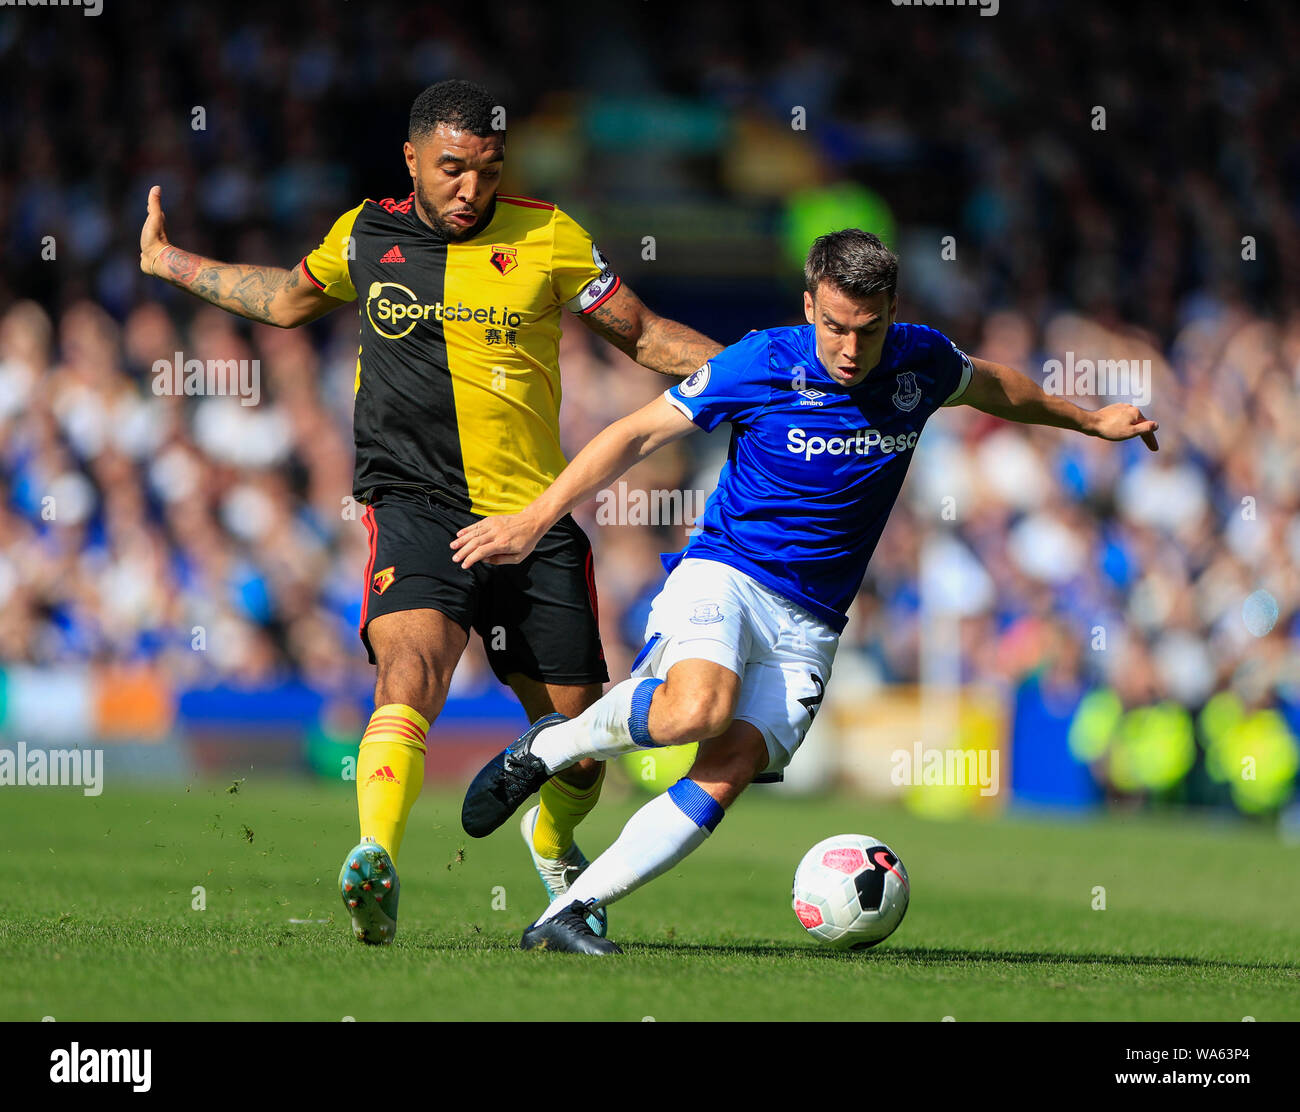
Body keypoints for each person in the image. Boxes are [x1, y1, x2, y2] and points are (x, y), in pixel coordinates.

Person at [452, 228, 1159, 954]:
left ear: (893, 312)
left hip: (814, 618)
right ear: (807, 306)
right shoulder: (760, 360)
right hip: (727, 571)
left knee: (726, 772)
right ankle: (549, 749)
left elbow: (994, 385)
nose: (851, 349)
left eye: (869, 329)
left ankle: (568, 910)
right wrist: (534, 519)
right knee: (699, 707)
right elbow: (636, 435)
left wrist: (1088, 420)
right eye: (834, 327)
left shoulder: (921, 359)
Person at [139, 79, 723, 945]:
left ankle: (552, 837)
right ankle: (375, 858)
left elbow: (642, 336)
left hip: (535, 516)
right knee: (409, 674)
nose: (470, 191)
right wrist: (167, 262)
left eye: (487, 172)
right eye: (451, 169)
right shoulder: (365, 233)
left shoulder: (550, 235)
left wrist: (773, 377)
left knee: (579, 742)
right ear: (411, 159)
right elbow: (284, 300)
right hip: (414, 505)